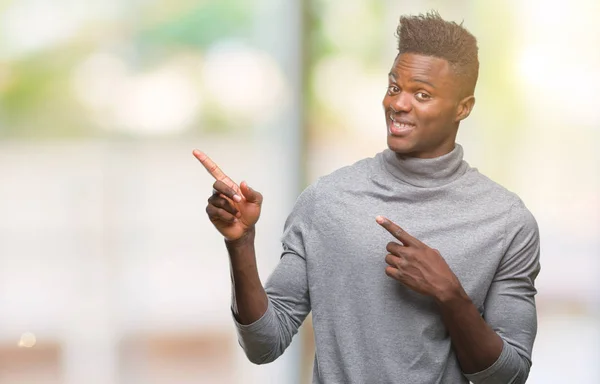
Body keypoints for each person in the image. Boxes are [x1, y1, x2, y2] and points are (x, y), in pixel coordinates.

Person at [193, 11, 540, 384]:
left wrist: (450, 294)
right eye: (394, 87)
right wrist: (241, 244)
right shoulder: (327, 201)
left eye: (422, 94)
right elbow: (265, 345)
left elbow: (509, 376)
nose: (399, 104)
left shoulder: (506, 222)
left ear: (463, 107)